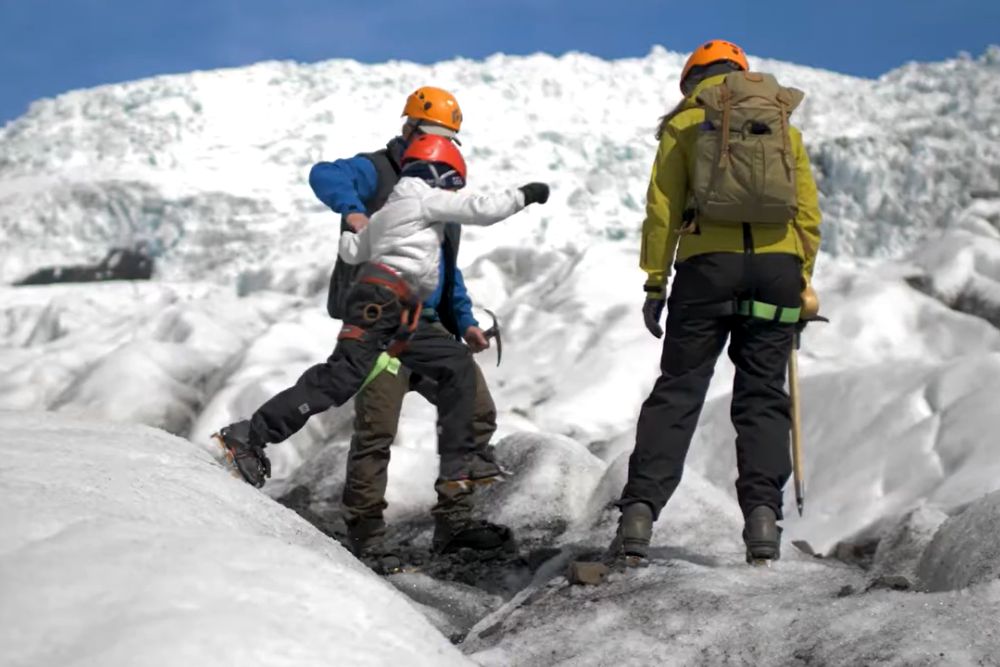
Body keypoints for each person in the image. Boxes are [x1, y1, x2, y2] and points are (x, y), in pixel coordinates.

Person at [214, 134, 550, 568]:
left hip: (390, 313)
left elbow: (357, 249)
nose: (453, 195)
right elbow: (482, 209)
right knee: (415, 406)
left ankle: (252, 434)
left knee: (342, 381)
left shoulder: (393, 210)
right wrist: (527, 194)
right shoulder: (425, 201)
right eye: (451, 184)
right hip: (393, 312)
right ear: (439, 176)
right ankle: (377, 529)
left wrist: (460, 317)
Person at [609, 39, 822, 565]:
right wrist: (802, 281)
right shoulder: (782, 126)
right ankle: (763, 523)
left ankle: (639, 515)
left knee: (679, 391)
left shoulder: (685, 124)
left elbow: (661, 211)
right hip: (776, 273)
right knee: (763, 395)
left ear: (691, 82)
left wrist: (655, 284)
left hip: (707, 271)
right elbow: (809, 215)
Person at [308, 87, 513, 567]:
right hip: (381, 327)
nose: (435, 143)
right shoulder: (374, 170)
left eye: (444, 137)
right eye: (428, 133)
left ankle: (454, 522)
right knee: (377, 431)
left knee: (476, 412)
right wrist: (353, 210)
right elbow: (325, 174)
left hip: (432, 330)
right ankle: (365, 533)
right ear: (407, 130)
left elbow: (446, 269)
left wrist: (465, 323)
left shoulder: (441, 188)